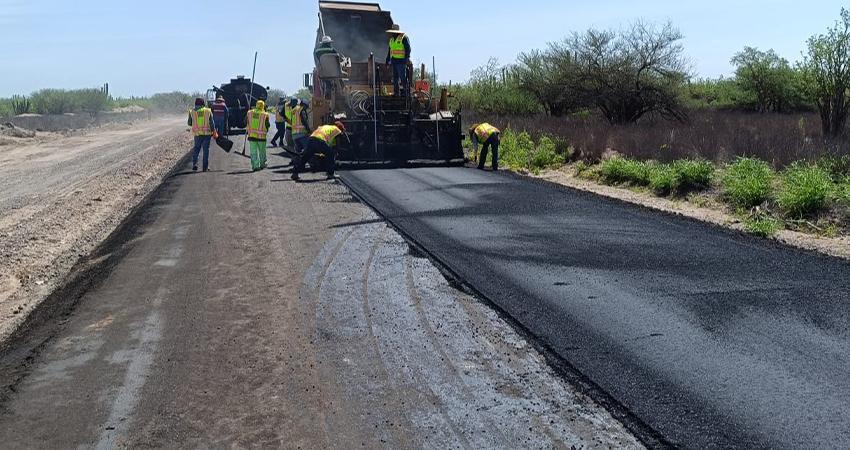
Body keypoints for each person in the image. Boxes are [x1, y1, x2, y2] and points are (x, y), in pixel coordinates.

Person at [188, 98, 214, 172]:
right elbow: (212, 123)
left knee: (196, 149)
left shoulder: (192, 112)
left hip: (197, 134)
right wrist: (213, 131)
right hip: (207, 134)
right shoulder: (208, 111)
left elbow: (189, 123)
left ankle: (195, 164)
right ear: (203, 104)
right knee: (206, 150)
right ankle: (205, 168)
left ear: (195, 104)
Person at [385, 24, 411, 98]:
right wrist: (387, 61)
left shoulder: (404, 38)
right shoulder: (392, 40)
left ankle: (406, 93)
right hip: (394, 61)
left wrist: (406, 58)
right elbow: (390, 51)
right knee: (395, 78)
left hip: (401, 62)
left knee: (403, 78)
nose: (392, 33)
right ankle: (397, 93)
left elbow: (408, 49)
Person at [246, 100, 271, 171]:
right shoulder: (265, 114)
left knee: (253, 152)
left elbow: (245, 121)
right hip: (261, 137)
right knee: (262, 151)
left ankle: (255, 166)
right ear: (263, 106)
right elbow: (267, 125)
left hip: (251, 136)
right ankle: (262, 164)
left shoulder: (249, 112)